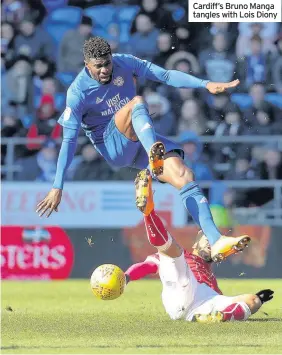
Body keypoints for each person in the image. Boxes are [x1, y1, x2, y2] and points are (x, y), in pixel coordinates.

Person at [36, 36, 247, 262]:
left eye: (107, 63)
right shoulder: (77, 93)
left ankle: (215, 240)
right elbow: (69, 141)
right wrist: (58, 185)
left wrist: (204, 84)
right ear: (87, 64)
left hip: (141, 139)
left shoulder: (124, 62)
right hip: (113, 146)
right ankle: (153, 155)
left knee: (185, 176)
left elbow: (165, 75)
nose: (106, 69)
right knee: (136, 102)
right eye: (99, 66)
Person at [128, 169, 274, 322]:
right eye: (208, 240)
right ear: (196, 243)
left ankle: (218, 318)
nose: (211, 244)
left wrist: (259, 298)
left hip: (206, 302)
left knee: (253, 301)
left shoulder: (209, 273)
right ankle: (148, 213)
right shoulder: (184, 258)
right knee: (173, 252)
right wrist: (126, 277)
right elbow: (147, 266)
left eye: (213, 242)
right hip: (181, 291)